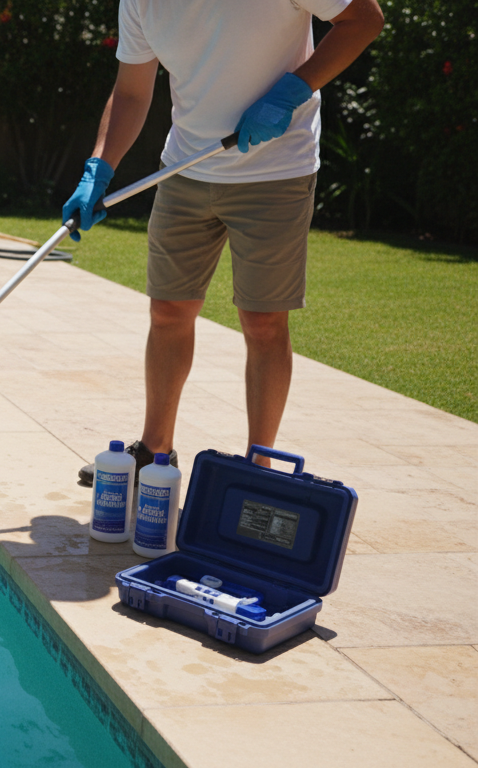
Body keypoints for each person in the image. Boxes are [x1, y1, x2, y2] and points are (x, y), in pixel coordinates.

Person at [69, 0, 384, 485]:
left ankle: (259, 469)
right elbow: (132, 92)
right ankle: (156, 454)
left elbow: (364, 18)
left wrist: (294, 89)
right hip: (185, 167)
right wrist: (99, 166)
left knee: (263, 323)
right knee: (168, 312)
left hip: (275, 170)